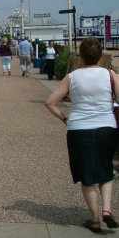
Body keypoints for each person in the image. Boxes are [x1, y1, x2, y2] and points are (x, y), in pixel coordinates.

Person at [45, 37, 119, 233]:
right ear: (100, 55)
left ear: (81, 56)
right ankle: (107, 210)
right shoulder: (109, 74)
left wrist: (65, 119)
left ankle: (94, 218)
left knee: (86, 173)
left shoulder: (72, 77)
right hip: (106, 127)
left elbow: (51, 102)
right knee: (105, 167)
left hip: (79, 128)